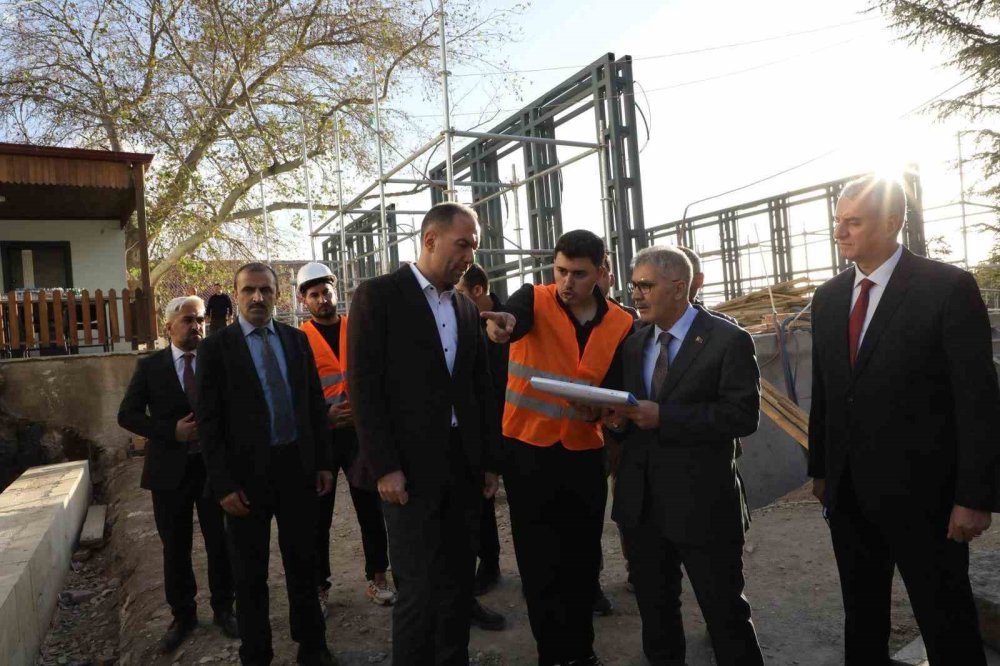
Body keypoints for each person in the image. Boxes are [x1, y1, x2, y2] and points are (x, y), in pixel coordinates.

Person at [808, 176, 1000, 666]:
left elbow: (977, 402)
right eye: (838, 220)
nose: (840, 232)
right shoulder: (830, 297)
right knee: (862, 619)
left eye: (853, 222)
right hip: (850, 495)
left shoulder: (946, 288)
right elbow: (827, 391)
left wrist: (974, 498)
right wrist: (822, 470)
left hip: (926, 499)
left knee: (947, 622)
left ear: (892, 223)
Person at [348, 202, 503, 665]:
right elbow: (364, 387)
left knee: (457, 582)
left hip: (462, 466)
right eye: (463, 244)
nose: (470, 255)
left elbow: (479, 390)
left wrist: (489, 461)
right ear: (430, 240)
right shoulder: (379, 296)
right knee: (417, 588)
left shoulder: (464, 307)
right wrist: (385, 466)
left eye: (474, 245)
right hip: (409, 471)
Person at [604, 246, 763, 666]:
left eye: (645, 285)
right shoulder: (635, 343)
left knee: (725, 615)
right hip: (643, 506)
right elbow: (631, 411)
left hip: (703, 504)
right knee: (657, 618)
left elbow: (742, 415)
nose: (635, 294)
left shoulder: (728, 340)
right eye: (634, 284)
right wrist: (616, 423)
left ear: (679, 288)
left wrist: (667, 417)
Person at [484, 229, 634, 666]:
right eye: (561, 271)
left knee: (583, 558)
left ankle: (581, 650)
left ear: (602, 274)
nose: (567, 282)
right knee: (538, 561)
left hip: (585, 453)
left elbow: (616, 390)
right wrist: (502, 326)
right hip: (528, 451)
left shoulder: (622, 324)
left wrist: (606, 416)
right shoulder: (532, 299)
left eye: (579, 274)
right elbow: (512, 321)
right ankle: (553, 653)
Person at [197, 262, 336, 666]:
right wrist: (222, 484)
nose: (257, 298)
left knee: (303, 565)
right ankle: (256, 653)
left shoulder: (295, 341)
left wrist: (323, 462)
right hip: (245, 480)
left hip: (296, 469)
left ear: (278, 295)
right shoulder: (216, 349)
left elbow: (313, 404)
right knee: (250, 574)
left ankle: (312, 646)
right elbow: (208, 422)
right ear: (237, 294)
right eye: (249, 291)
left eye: (265, 291)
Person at [117, 296, 238, 654]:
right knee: (176, 546)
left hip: (213, 469)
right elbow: (128, 415)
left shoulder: (216, 362)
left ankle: (224, 608)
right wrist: (172, 431)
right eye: (187, 320)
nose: (195, 326)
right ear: (168, 326)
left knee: (220, 541)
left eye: (199, 320)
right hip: (169, 473)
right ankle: (183, 615)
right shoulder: (150, 367)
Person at [294, 261, 398, 610]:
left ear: (335, 292)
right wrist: (324, 417)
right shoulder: (298, 340)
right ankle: (319, 587)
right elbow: (297, 394)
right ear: (302, 300)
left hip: (359, 437)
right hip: (323, 439)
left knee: (370, 510)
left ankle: (378, 576)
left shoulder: (357, 328)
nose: (322, 299)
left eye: (326, 292)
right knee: (317, 519)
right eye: (314, 295)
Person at [454, 264, 505, 599]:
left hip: (519, 425)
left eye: (459, 292)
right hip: (484, 425)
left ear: (476, 291)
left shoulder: (514, 319)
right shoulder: (461, 324)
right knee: (481, 499)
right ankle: (489, 564)